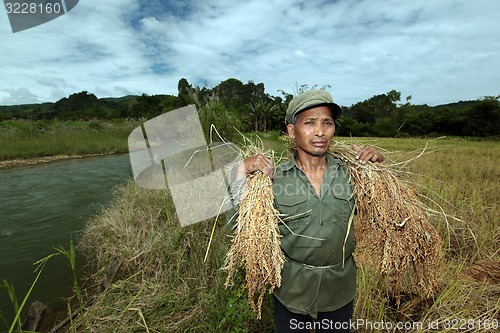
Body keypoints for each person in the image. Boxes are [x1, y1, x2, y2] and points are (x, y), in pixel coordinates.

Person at [231, 90, 384, 333]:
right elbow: (241, 224)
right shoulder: (273, 178)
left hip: (338, 289)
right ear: (292, 131)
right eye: (310, 123)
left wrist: (379, 167)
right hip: (292, 290)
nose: (320, 132)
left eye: (327, 123)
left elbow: (386, 214)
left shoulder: (354, 173)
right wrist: (241, 169)